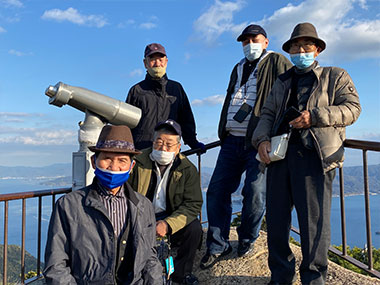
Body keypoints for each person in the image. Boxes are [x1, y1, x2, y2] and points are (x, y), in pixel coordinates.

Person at [252, 22, 361, 284]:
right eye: (296, 46)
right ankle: (281, 276)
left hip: (315, 158)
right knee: (276, 223)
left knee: (314, 226)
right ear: (289, 50)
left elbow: (353, 109)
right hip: (280, 157)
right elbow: (266, 114)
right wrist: (261, 141)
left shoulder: (335, 76)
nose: (301, 50)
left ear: (317, 49)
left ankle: (314, 279)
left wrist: (314, 116)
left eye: (306, 46)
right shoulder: (282, 81)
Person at [200, 24, 292, 269]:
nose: (249, 43)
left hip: (258, 141)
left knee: (254, 194)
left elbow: (291, 88)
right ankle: (217, 245)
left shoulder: (276, 61)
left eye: (254, 39)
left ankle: (247, 239)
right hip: (230, 140)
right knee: (217, 190)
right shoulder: (238, 67)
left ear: (265, 41)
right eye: (245, 40)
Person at [44, 125, 162, 284]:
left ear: (131, 166)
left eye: (122, 160)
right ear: (94, 161)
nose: (114, 167)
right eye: (107, 158)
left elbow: (149, 258)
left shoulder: (143, 205)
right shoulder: (68, 206)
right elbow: (56, 266)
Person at [129, 119, 203, 285]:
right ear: (153, 142)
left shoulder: (187, 169)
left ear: (178, 148)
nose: (163, 148)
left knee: (194, 228)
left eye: (169, 144)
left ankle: (182, 273)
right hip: (140, 215)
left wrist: (169, 224)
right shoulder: (138, 162)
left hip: (170, 215)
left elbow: (193, 204)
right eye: (159, 142)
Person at [126, 43, 205, 152]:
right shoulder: (136, 91)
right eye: (152, 59)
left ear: (166, 62)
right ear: (145, 63)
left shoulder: (176, 89)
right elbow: (127, 125)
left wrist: (193, 143)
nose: (157, 63)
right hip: (141, 152)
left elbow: (186, 120)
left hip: (168, 151)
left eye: (160, 59)